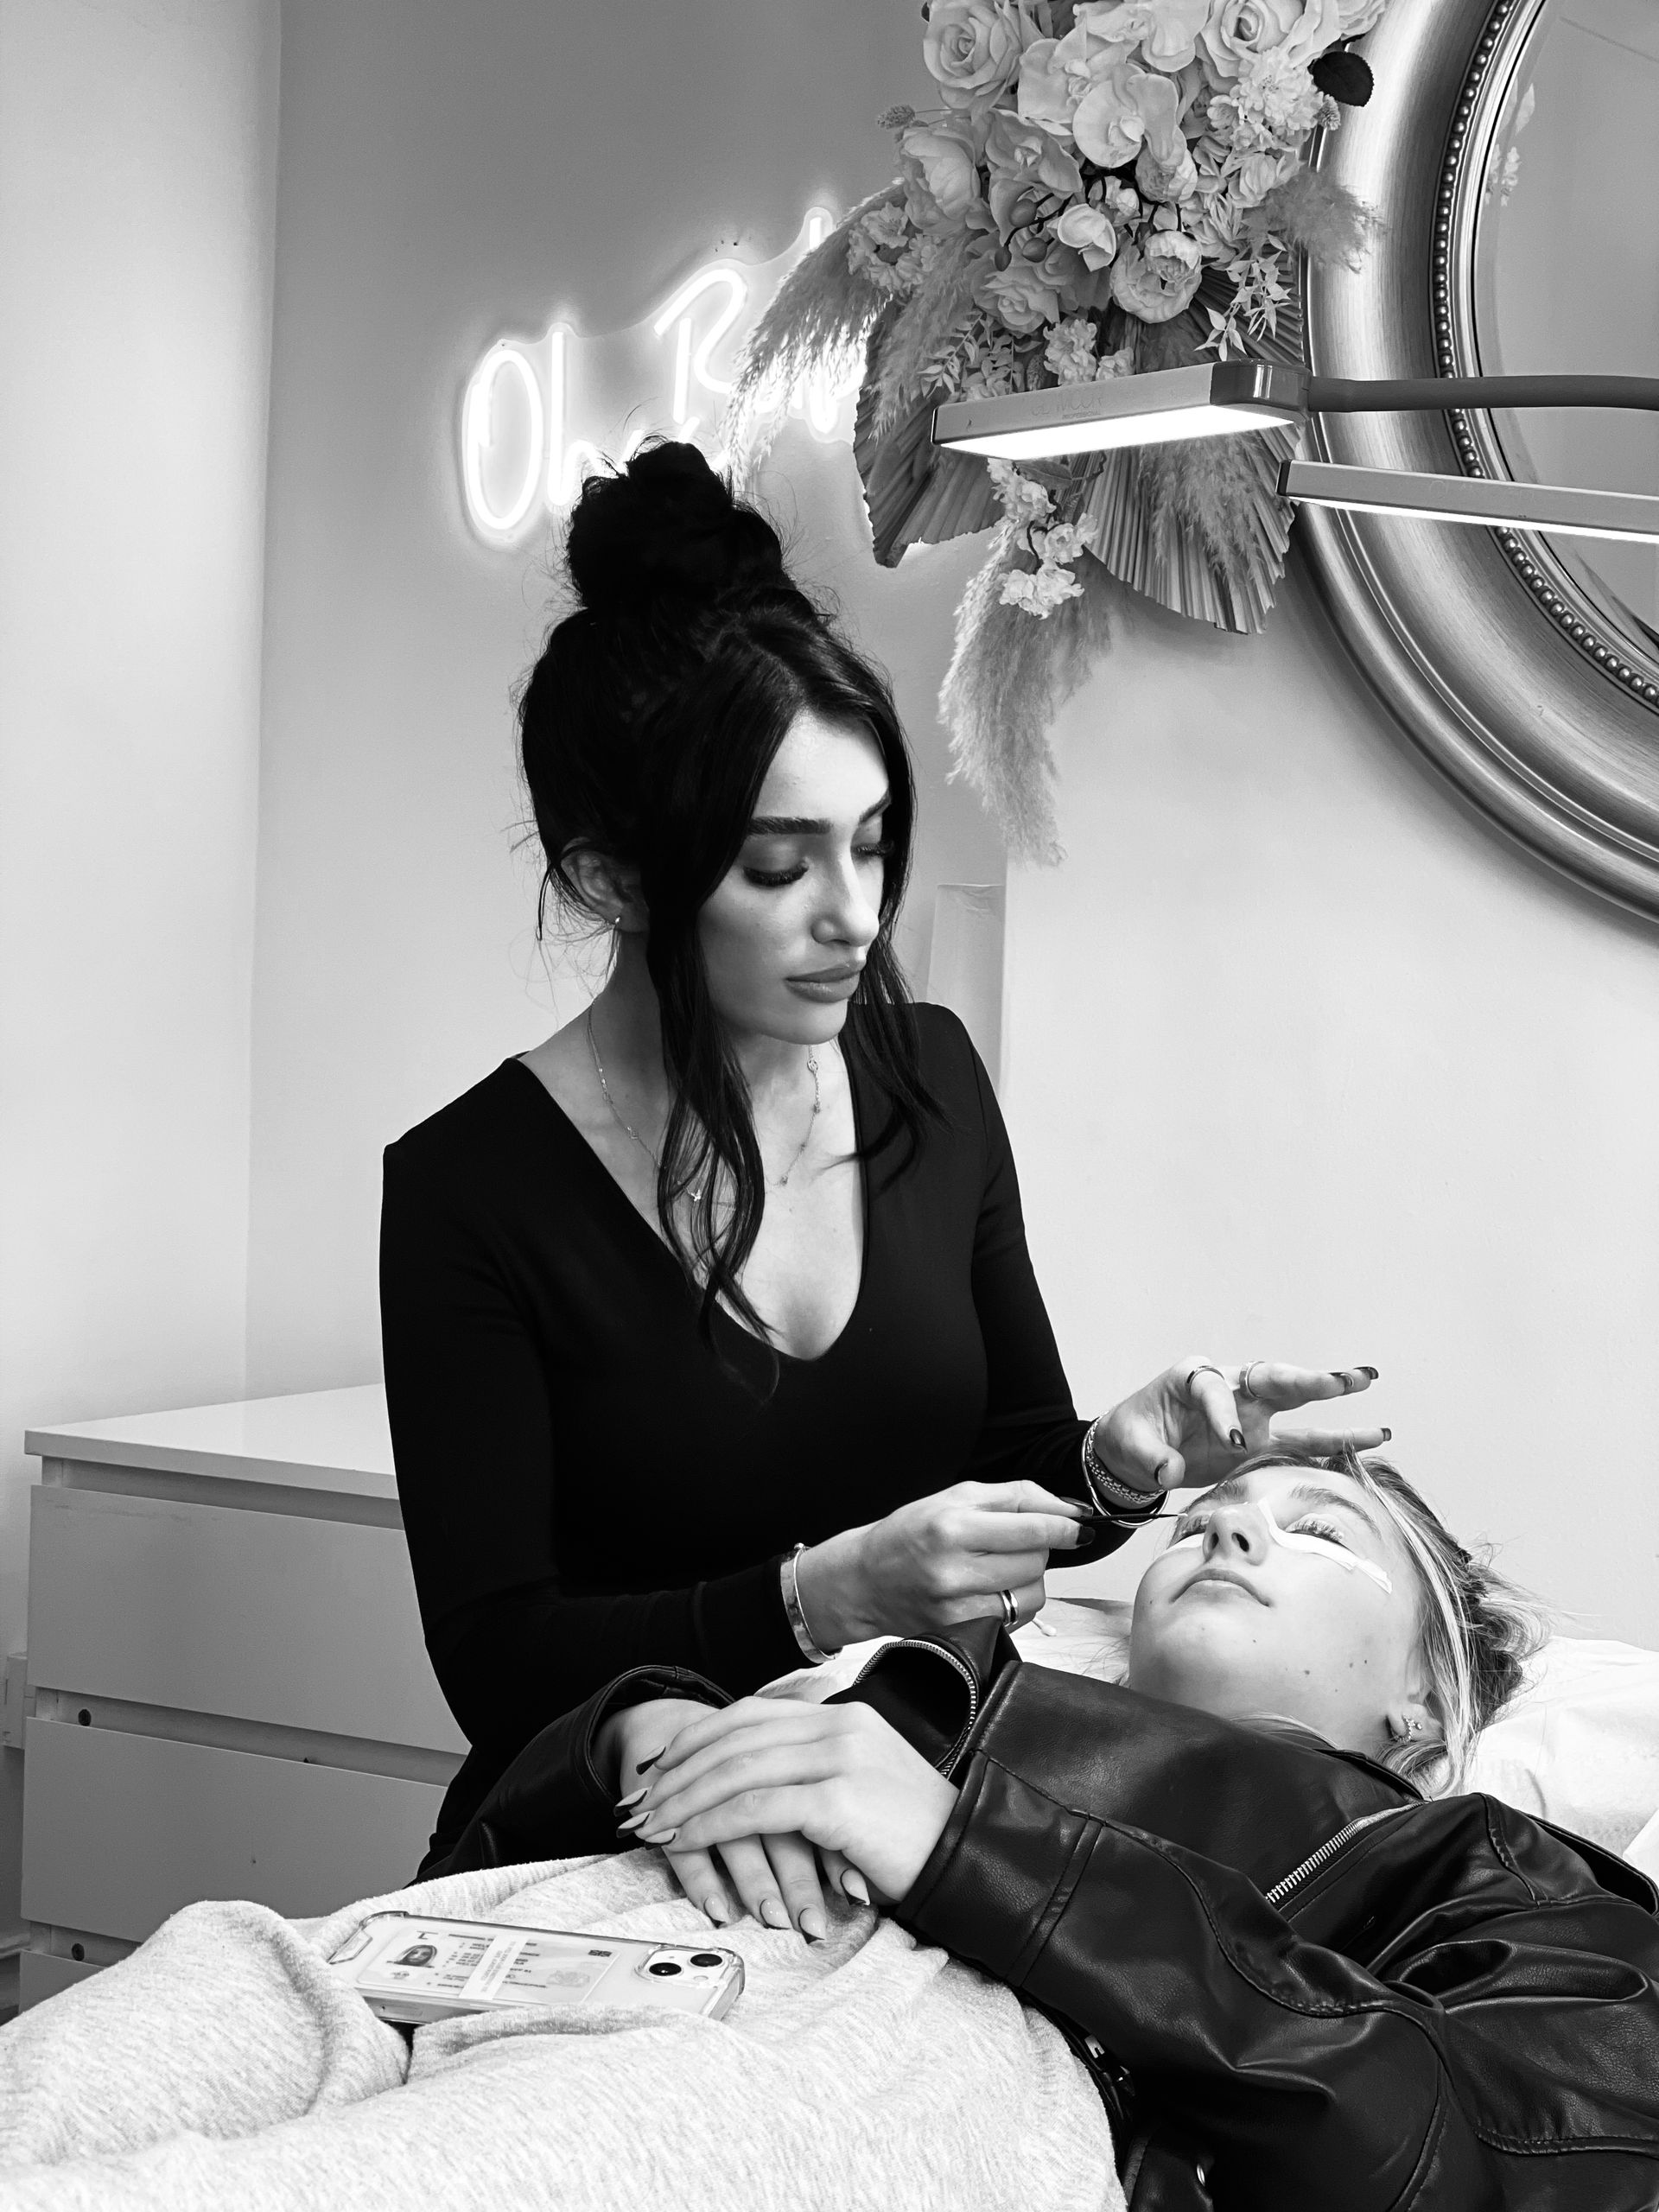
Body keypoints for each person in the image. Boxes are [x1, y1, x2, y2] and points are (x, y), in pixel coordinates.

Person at [378, 440, 1387, 1877]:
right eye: (779, 869)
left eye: (871, 845)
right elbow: (498, 1659)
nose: (853, 916)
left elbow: (1007, 1472)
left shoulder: (932, 1086)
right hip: (612, 1835)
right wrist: (813, 1598)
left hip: (916, 1805)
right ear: (611, 876)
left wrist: (1117, 1463)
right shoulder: (468, 1194)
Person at [433, 1446, 1659, 2210]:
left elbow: (1469, 2164)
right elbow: (457, 1871)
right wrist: (631, 1732)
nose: (1225, 1529)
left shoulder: (1500, 1876)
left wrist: (971, 1851)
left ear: (1430, 1698)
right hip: (454, 1980)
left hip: (739, 2112)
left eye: (1319, 1532)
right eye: (1199, 1523)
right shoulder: (928, 1686)